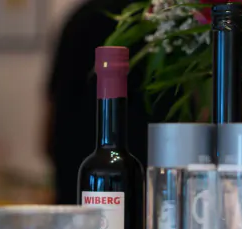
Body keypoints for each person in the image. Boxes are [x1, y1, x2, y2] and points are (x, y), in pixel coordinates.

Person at [45, 0, 171, 205]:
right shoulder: (162, 26)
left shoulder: (79, 20)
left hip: (77, 184)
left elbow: (50, 121)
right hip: (151, 189)